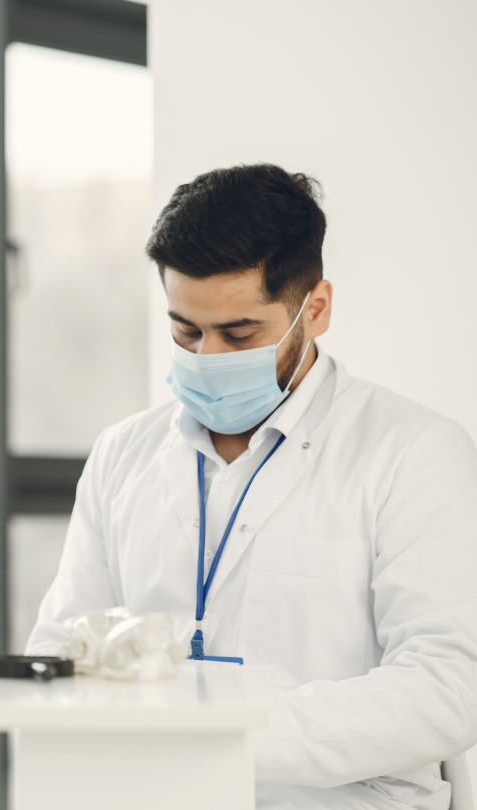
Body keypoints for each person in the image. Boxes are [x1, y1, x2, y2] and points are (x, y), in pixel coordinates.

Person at [25, 164, 477, 809]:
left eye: (239, 334)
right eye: (186, 330)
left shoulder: (413, 451)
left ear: (314, 310)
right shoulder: (122, 454)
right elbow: (59, 652)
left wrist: (228, 731)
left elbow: (446, 687)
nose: (207, 357)